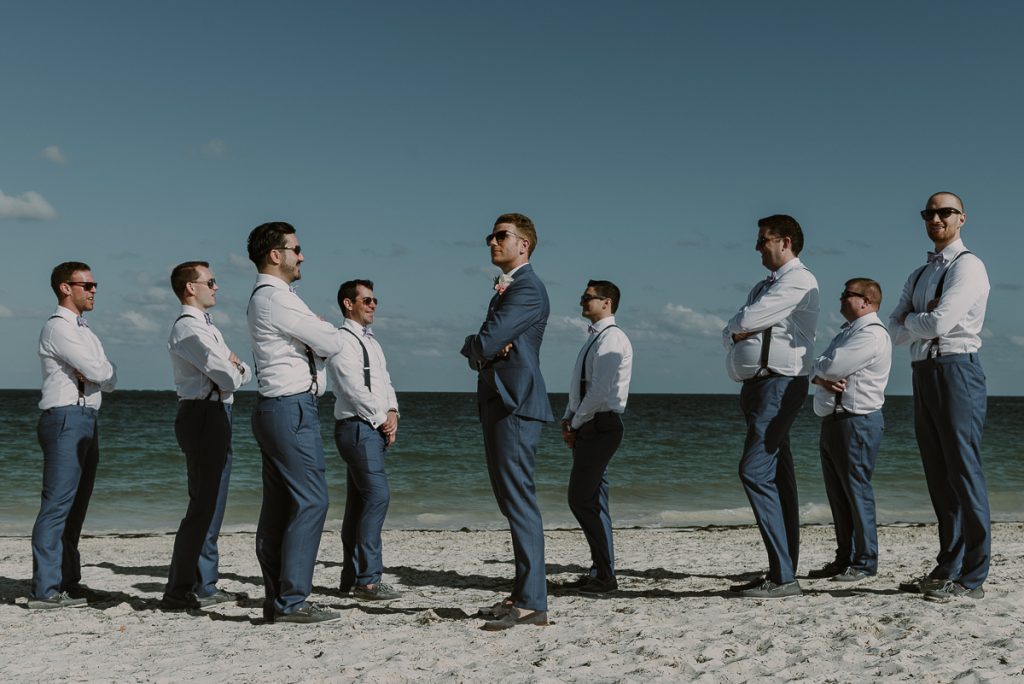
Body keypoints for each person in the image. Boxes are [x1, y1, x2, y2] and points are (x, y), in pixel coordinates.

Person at [889, 192, 991, 602]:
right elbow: (891, 329)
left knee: (964, 472)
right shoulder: (919, 273)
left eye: (944, 211)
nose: (936, 218)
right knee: (938, 474)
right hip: (923, 370)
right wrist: (919, 320)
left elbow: (940, 322)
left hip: (956, 369)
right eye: (929, 212)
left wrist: (916, 320)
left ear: (962, 218)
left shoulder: (969, 266)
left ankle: (974, 576)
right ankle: (948, 564)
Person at [246, 221, 347, 624]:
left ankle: (279, 599)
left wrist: (316, 336)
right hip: (290, 408)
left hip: (277, 407)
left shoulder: (273, 299)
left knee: (281, 505)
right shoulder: (277, 299)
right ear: (276, 255)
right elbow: (334, 342)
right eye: (296, 249)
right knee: (312, 500)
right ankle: (292, 601)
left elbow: (320, 341)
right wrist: (320, 333)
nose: (302, 256)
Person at [461, 212, 554, 630]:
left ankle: (533, 601)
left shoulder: (528, 289)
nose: (492, 243)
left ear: (524, 245)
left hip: (515, 403)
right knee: (510, 500)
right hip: (501, 400)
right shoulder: (507, 290)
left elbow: (483, 340)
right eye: (490, 236)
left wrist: (479, 346)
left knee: (519, 501)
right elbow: (488, 345)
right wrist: (484, 349)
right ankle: (523, 592)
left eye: (502, 236)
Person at [723, 214, 819, 598]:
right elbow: (733, 329)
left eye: (763, 240)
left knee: (754, 470)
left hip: (780, 385)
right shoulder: (765, 285)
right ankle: (783, 570)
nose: (757, 246)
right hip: (759, 385)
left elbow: (747, 320)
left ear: (785, 242)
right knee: (778, 475)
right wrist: (738, 329)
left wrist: (739, 326)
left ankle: (784, 578)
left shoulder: (799, 279)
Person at [161, 261, 252, 610]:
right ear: (190, 288)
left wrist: (235, 367)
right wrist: (235, 367)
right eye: (210, 281)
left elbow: (236, 372)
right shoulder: (189, 330)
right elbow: (230, 377)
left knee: (211, 505)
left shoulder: (206, 327)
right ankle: (180, 589)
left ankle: (203, 584)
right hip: (203, 413)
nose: (217, 287)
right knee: (202, 506)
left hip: (215, 412)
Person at [29, 262, 117, 609]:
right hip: (65, 417)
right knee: (57, 506)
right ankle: (45, 590)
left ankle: (67, 581)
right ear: (66, 288)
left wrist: (99, 374)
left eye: (95, 284)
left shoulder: (85, 330)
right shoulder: (58, 328)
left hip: (86, 416)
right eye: (87, 284)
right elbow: (99, 370)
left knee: (76, 507)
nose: (94, 290)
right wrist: (98, 373)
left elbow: (108, 376)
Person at [808, 278, 891, 583]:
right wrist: (819, 376)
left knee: (856, 493)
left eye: (847, 295)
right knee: (838, 495)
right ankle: (845, 558)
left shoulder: (870, 334)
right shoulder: (849, 332)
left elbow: (828, 367)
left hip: (855, 421)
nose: (841, 300)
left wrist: (820, 373)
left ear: (866, 301)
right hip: (836, 420)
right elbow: (817, 366)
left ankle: (865, 561)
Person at [328, 279, 401, 601]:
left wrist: (393, 411)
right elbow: (350, 388)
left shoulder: (372, 341)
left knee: (359, 504)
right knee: (377, 497)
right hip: (357, 426)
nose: (373, 305)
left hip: (371, 426)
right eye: (367, 300)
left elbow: (384, 380)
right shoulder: (341, 340)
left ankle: (351, 577)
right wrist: (380, 418)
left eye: (375, 300)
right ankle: (368, 581)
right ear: (348, 303)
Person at [560, 280, 633, 594]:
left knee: (581, 499)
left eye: (587, 297)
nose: (582, 302)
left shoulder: (612, 339)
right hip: (590, 423)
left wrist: (575, 422)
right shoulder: (596, 338)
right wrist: (569, 416)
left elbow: (600, 391)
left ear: (607, 302)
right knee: (595, 501)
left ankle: (605, 575)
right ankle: (601, 570)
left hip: (601, 425)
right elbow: (582, 385)